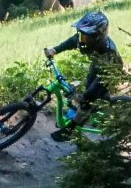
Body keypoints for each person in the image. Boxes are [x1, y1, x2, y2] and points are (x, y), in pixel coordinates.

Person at [44, 11, 123, 142]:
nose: (81, 39)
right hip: (97, 64)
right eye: (81, 34)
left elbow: (93, 90)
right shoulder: (88, 40)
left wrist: (82, 98)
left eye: (85, 36)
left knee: (88, 100)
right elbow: (73, 41)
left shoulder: (108, 53)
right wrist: (55, 50)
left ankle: (70, 130)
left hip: (110, 70)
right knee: (89, 88)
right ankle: (100, 107)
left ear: (96, 37)